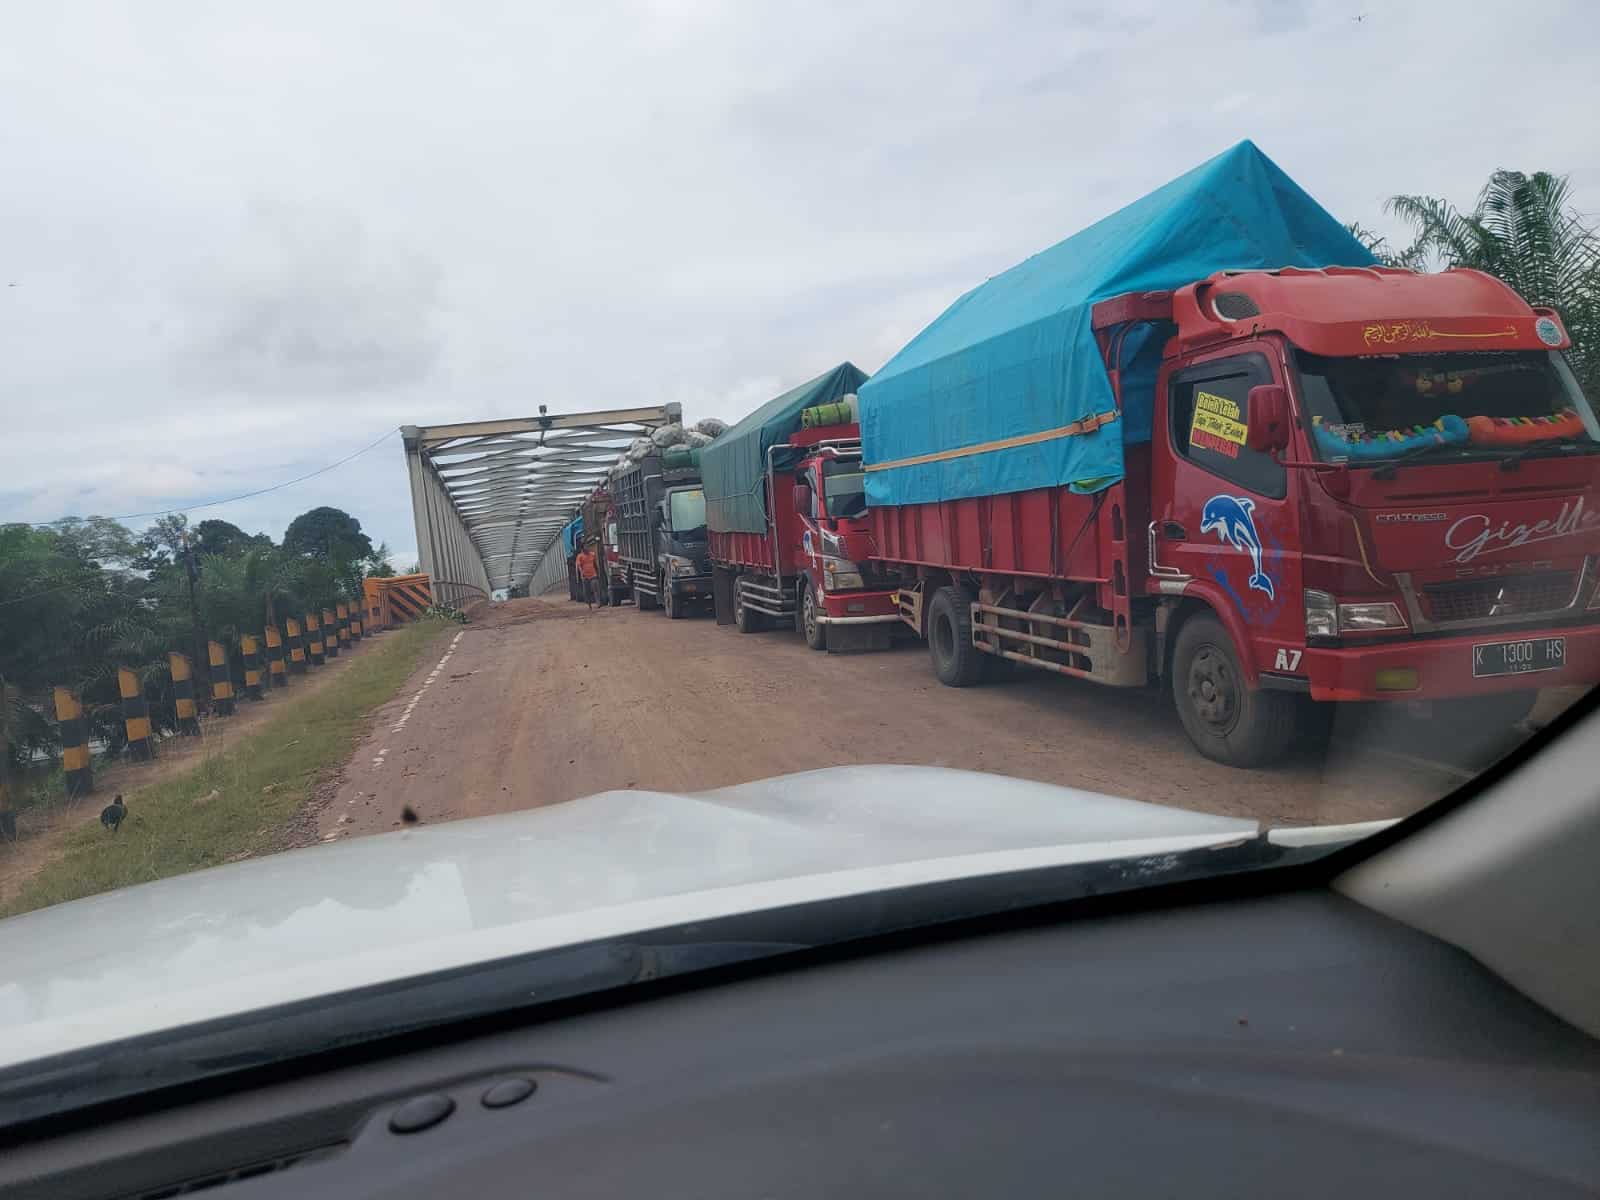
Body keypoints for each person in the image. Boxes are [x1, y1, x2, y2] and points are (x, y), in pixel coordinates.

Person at [575, 539, 599, 609]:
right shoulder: (580, 556)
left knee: (595, 588)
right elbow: (579, 566)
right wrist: (581, 573)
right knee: (587, 591)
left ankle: (598, 602)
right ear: (582, 548)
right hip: (585, 576)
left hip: (593, 574)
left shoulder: (592, 554)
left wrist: (597, 572)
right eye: (585, 546)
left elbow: (595, 564)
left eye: (587, 546)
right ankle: (589, 604)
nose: (587, 548)